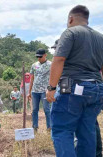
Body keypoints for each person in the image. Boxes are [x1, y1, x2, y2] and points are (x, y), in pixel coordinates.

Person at [46, 5, 103, 157]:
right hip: (96, 89)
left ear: (71, 19)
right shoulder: (100, 37)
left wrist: (51, 87)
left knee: (62, 131)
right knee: (87, 132)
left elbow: (59, 59)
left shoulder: (70, 32)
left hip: (71, 87)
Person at [28, 48, 51, 131]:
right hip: (35, 91)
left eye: (40, 56)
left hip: (45, 91)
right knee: (34, 110)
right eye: (37, 57)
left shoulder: (50, 65)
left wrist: (51, 90)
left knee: (46, 109)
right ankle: (34, 126)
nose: (39, 58)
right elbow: (32, 78)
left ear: (45, 55)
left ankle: (49, 127)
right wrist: (29, 92)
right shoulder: (34, 65)